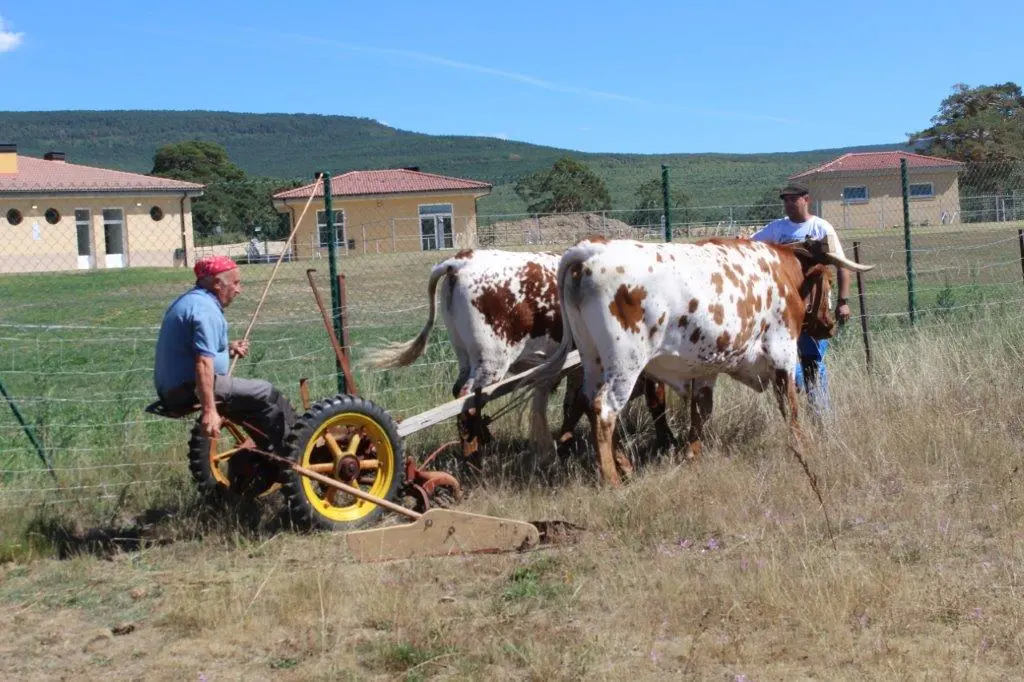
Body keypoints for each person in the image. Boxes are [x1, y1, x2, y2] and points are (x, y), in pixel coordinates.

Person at [154, 255, 295, 454]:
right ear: (218, 283)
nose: (239, 289)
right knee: (266, 392)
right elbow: (203, 363)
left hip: (174, 388)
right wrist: (209, 410)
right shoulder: (205, 311)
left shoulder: (191, 301)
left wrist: (227, 349)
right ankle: (298, 448)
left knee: (254, 402)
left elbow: (195, 350)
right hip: (188, 388)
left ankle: (272, 448)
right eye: (235, 283)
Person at [750, 181, 852, 414]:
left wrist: (843, 302)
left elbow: (842, 267)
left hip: (814, 307)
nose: (788, 204)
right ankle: (798, 396)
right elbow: (751, 244)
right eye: (785, 200)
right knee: (779, 359)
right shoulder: (776, 229)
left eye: (793, 199)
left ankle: (822, 416)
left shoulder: (821, 227)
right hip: (782, 311)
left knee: (813, 361)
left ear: (807, 200)